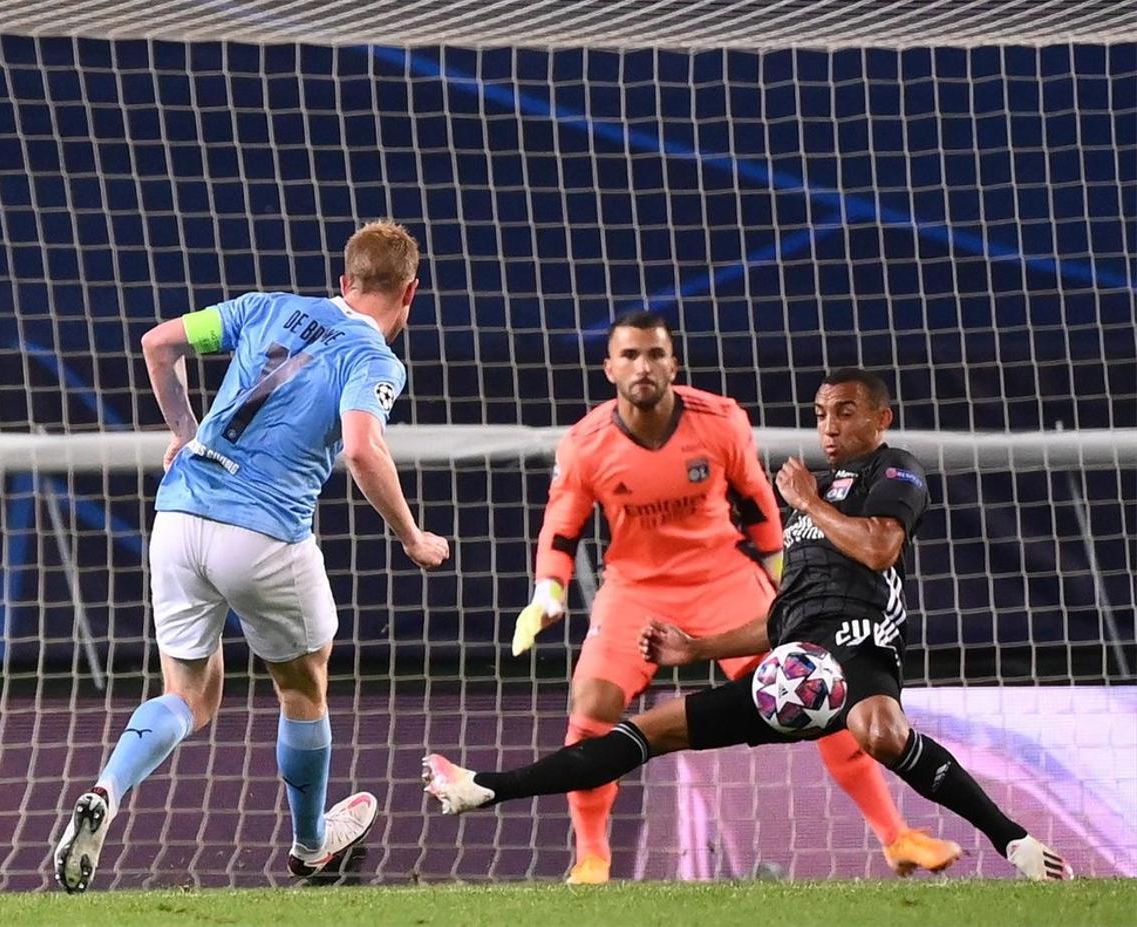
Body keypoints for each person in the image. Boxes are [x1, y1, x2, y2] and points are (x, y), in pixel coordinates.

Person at [424, 367, 1072, 882]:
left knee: (877, 729)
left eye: (844, 411)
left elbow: (879, 549)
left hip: (858, 649)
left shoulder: (894, 467)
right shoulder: (806, 509)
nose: (828, 425)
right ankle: (483, 788)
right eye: (820, 413)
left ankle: (1010, 839)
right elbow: (781, 620)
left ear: (881, 417)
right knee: (639, 732)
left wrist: (810, 502)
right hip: (790, 670)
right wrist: (696, 646)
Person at [54, 220, 449, 893]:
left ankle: (106, 788)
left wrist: (183, 431)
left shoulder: (265, 306)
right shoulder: (375, 357)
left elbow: (158, 343)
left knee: (188, 695)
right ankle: (308, 843)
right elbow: (361, 447)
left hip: (179, 516)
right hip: (263, 533)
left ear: (343, 279)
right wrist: (412, 535)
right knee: (301, 683)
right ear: (409, 292)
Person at [510, 319, 958, 883]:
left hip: (723, 576)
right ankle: (593, 856)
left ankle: (897, 838)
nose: (642, 366)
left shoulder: (720, 420)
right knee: (592, 704)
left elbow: (757, 505)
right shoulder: (585, 442)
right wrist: (547, 591)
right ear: (610, 368)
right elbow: (560, 528)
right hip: (635, 589)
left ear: (673, 365)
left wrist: (784, 580)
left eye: (655, 354)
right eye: (629, 355)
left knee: (819, 683)